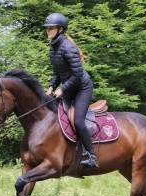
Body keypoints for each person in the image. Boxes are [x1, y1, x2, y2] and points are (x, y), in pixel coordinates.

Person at [44, 12, 99, 168]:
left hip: (82, 88)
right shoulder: (53, 49)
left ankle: (92, 155)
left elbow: (78, 74)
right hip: (68, 87)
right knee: (55, 114)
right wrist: (50, 88)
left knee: (78, 121)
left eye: (51, 28)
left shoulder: (68, 47)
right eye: (47, 28)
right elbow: (57, 73)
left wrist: (62, 89)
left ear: (61, 29)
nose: (48, 31)